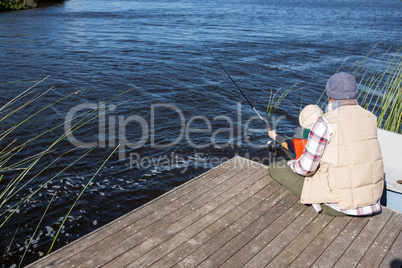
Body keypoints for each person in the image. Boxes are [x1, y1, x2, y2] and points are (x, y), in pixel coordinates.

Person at [268, 72, 384, 216]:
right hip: (372, 202)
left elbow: (306, 169)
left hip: (341, 206)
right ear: (355, 94)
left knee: (275, 168)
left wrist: (291, 164)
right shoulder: (371, 118)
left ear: (329, 98)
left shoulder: (325, 122)